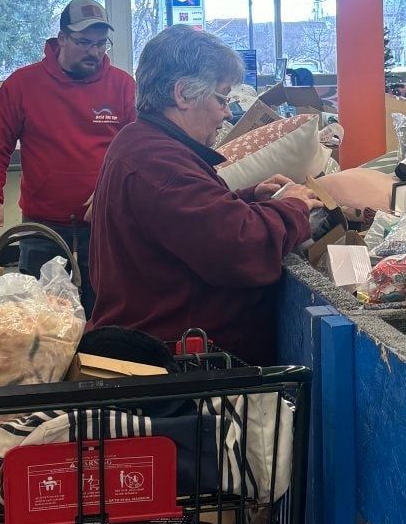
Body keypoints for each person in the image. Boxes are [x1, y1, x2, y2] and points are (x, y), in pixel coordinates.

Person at [89, 27, 320, 366]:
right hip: (182, 371)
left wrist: (248, 198)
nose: (227, 113)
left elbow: (190, 223)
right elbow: (242, 247)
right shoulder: (159, 163)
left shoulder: (141, 142)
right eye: (222, 99)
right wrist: (293, 208)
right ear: (183, 94)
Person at [0, 0, 136, 315]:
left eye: (101, 44)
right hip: (42, 231)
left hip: (104, 227)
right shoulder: (23, 85)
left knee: (105, 318)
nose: (94, 52)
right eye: (84, 42)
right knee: (42, 322)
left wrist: (114, 193)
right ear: (62, 38)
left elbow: (136, 151)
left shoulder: (122, 86)